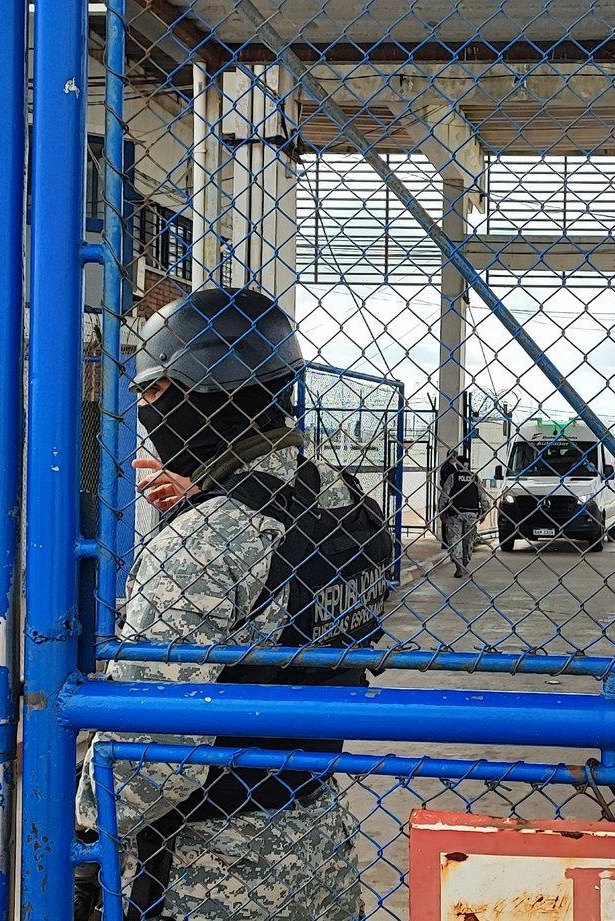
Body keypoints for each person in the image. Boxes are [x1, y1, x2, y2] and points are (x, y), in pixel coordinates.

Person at [82, 288, 389, 921]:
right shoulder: (345, 500)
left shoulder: (207, 539)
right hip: (318, 841)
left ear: (207, 392)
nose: (143, 410)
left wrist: (81, 828)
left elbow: (150, 745)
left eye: (155, 392)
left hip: (211, 866)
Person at [441, 456, 483, 578]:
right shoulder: (475, 478)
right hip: (471, 514)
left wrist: (442, 511)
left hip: (455, 514)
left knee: (455, 540)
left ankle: (458, 566)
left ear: (458, 465)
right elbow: (482, 496)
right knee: (468, 541)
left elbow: (444, 496)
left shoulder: (452, 477)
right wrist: (484, 511)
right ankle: (465, 563)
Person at [434, 451, 460, 550]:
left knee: (447, 518)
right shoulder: (449, 468)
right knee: (447, 519)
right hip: (449, 495)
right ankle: (446, 542)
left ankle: (447, 542)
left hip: (448, 495)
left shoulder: (447, 467)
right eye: (455, 456)